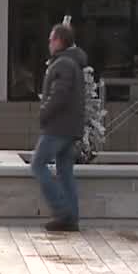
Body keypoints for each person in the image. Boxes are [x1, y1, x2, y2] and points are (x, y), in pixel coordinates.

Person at [32, 22, 86, 233]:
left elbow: (59, 95)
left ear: (60, 41)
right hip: (69, 127)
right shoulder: (71, 63)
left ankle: (62, 212)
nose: (49, 43)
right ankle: (71, 218)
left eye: (51, 39)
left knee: (37, 164)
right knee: (65, 172)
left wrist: (43, 113)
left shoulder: (63, 64)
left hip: (58, 127)